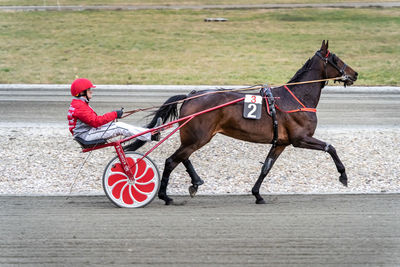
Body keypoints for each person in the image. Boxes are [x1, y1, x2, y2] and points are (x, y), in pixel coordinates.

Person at [67, 78, 161, 143]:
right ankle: (151, 135)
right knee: (119, 127)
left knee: (117, 126)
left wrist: (113, 116)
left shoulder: (79, 104)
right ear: (81, 92)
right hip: (86, 135)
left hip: (87, 132)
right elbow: (96, 121)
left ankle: (150, 132)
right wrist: (114, 114)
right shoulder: (79, 107)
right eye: (89, 90)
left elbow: (94, 120)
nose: (91, 91)